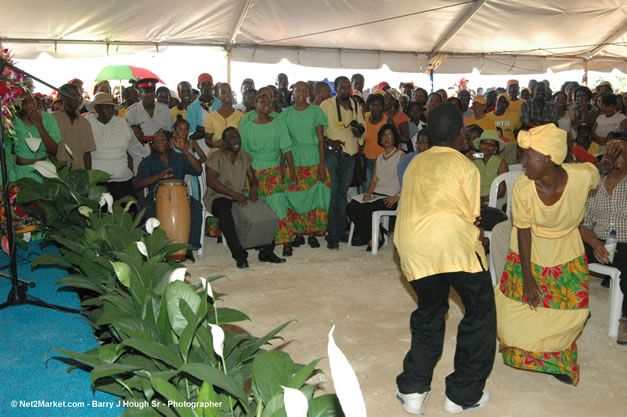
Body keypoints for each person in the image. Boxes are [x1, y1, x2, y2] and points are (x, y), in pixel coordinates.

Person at [494, 124, 617, 386]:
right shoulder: (523, 188)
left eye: (528, 155)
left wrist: (608, 159)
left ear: (548, 158)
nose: (522, 161)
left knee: (569, 311)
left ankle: (559, 360)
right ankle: (525, 354)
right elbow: (524, 232)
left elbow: (598, 170)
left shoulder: (581, 176)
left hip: (567, 248)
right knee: (516, 312)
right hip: (529, 249)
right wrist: (527, 277)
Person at [394, 102, 495, 415]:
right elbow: (472, 218)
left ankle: (412, 389)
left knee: (430, 312)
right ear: (460, 133)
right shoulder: (465, 165)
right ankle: (462, 396)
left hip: (412, 247)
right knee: (480, 314)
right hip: (453, 244)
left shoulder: (415, 162)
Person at [205, 127, 285, 268]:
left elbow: (252, 177)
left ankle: (266, 251)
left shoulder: (244, 156)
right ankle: (239, 255)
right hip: (218, 196)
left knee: (262, 210)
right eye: (232, 138)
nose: (237, 141)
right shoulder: (216, 157)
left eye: (238, 137)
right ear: (223, 142)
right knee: (225, 213)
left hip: (239, 195)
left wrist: (254, 189)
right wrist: (232, 194)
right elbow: (210, 181)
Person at [134, 121, 202, 262]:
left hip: (181, 195)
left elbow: (198, 170)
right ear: (152, 145)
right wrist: (158, 177)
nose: (160, 142)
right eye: (156, 140)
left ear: (168, 141)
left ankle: (188, 248)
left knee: (196, 207)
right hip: (155, 195)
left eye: (163, 139)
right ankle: (157, 249)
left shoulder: (179, 157)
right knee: (148, 211)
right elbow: (137, 185)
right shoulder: (147, 162)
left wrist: (184, 150)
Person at [580, 138, 627, 344]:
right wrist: (596, 244)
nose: (617, 156)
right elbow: (582, 224)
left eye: (621, 152)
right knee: (564, 250)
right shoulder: (594, 183)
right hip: (597, 241)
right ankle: (573, 308)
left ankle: (625, 318)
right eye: (613, 151)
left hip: (625, 244)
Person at [241, 92, 296, 256]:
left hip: (273, 169)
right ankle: (262, 240)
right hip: (254, 170)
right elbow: (245, 154)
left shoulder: (278, 123)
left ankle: (286, 241)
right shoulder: (249, 126)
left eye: (269, 101)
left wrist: (292, 172)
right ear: (255, 104)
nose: (266, 103)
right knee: (259, 207)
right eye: (262, 101)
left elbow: (286, 149)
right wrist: (250, 178)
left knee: (279, 205)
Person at [280, 81, 331, 249]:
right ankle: (298, 233)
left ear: (309, 93)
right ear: (292, 92)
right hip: (294, 159)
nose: (301, 92)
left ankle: (312, 233)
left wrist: (322, 166)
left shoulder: (316, 112)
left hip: (313, 158)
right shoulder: (285, 115)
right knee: (295, 197)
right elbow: (284, 142)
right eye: (297, 90)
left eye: (304, 90)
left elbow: (321, 140)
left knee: (313, 196)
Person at [320, 76, 366, 249]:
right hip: (333, 154)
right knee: (333, 194)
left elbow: (362, 129)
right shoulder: (326, 106)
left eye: (348, 87)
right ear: (336, 88)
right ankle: (332, 234)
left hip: (350, 155)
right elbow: (318, 130)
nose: (345, 90)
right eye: (342, 87)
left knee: (342, 194)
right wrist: (329, 141)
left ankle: (340, 232)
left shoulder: (355, 105)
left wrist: (358, 133)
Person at [347, 124, 403, 250]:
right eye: (384, 135)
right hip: (376, 195)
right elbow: (373, 180)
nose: (386, 138)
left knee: (366, 209)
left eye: (389, 135)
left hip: (390, 198)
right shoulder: (379, 158)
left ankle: (375, 236)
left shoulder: (401, 156)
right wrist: (368, 193)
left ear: (394, 138)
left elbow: (407, 181)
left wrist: (397, 196)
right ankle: (377, 232)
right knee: (351, 206)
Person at [86, 92, 149, 201]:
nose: (109, 110)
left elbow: (136, 148)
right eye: (105, 107)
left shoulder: (122, 123)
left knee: (129, 213)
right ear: (96, 108)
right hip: (97, 183)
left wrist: (150, 159)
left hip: (122, 180)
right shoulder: (86, 123)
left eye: (111, 107)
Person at [12, 91, 61, 182]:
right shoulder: (13, 121)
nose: (29, 104)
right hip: (22, 172)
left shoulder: (47, 118)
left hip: (45, 169)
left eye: (31, 99)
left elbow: (53, 150)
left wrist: (39, 124)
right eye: (23, 101)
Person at [53, 83, 96, 169]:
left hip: (79, 175)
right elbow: (48, 151)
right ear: (63, 97)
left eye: (79, 95)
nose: (77, 98)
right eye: (72, 94)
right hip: (59, 175)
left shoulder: (85, 123)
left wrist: (88, 176)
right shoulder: (52, 120)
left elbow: (87, 154)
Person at [124, 78, 174, 143]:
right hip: (141, 147)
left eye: (152, 91)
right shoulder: (132, 111)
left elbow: (170, 130)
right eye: (146, 92)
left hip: (162, 146)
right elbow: (127, 135)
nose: (150, 94)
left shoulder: (164, 109)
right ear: (140, 94)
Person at [204, 83, 244, 153]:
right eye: (223, 92)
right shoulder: (211, 117)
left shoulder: (241, 115)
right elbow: (207, 139)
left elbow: (243, 137)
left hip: (235, 154)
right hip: (216, 155)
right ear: (218, 96)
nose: (227, 94)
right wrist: (214, 144)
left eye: (229, 91)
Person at [471, 130, 508, 204]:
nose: (486, 147)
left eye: (491, 144)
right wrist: (466, 160)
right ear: (479, 145)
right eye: (484, 143)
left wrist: (484, 199)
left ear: (496, 148)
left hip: (495, 197)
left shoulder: (501, 162)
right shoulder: (472, 159)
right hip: (475, 196)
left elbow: (502, 191)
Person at [361, 93, 386, 192]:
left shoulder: (387, 120)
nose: (376, 107)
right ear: (369, 106)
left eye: (379, 105)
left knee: (381, 189)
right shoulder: (364, 120)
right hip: (367, 160)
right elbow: (361, 141)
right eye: (373, 105)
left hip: (383, 160)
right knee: (367, 188)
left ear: (382, 106)